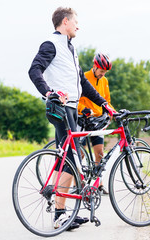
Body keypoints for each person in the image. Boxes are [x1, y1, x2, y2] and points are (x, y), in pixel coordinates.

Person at [28, 7, 116, 230]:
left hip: (71, 108)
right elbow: (34, 69)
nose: (78, 26)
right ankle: (59, 214)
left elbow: (82, 84)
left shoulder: (69, 48)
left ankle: (63, 212)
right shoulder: (51, 44)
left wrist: (104, 103)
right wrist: (49, 92)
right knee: (71, 158)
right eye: (75, 21)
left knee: (68, 158)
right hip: (61, 107)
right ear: (65, 22)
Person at [77, 53, 115, 194]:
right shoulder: (84, 77)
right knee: (79, 154)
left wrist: (112, 112)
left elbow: (106, 100)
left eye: (105, 72)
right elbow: (77, 100)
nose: (102, 74)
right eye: (101, 71)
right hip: (83, 119)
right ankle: (79, 184)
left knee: (99, 154)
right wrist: (83, 109)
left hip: (97, 122)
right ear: (94, 66)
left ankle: (99, 184)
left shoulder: (104, 81)